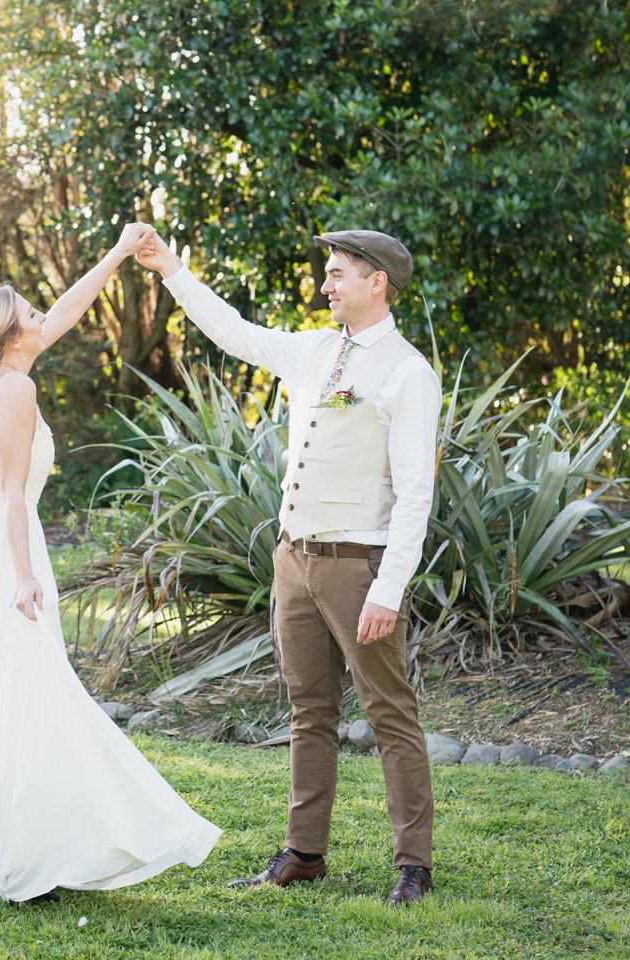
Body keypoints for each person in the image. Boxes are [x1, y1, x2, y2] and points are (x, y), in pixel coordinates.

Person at [0, 222, 221, 905]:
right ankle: (33, 862)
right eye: (32, 314)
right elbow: (11, 495)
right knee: (31, 696)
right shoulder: (16, 390)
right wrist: (27, 576)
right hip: (2, 546)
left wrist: (122, 253)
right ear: (13, 336)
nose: (47, 317)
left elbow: (69, 305)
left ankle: (9, 850)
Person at [135, 229, 440, 906]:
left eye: (337, 275)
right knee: (309, 712)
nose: (326, 285)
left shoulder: (407, 372)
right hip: (294, 560)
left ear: (376, 283)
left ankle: (413, 867)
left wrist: (389, 587)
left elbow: (417, 493)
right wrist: (172, 270)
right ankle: (304, 853)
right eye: (327, 275)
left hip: (358, 566)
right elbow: (235, 333)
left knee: (390, 714)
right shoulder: (313, 350)